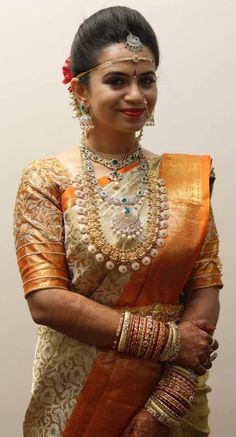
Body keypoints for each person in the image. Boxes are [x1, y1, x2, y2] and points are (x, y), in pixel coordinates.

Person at [13, 6, 223, 437]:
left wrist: (166, 406)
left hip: (170, 394)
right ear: (79, 89)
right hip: (74, 394)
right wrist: (169, 342)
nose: (136, 95)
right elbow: (46, 301)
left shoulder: (190, 180)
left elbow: (204, 291)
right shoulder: (46, 179)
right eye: (117, 80)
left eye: (146, 80)